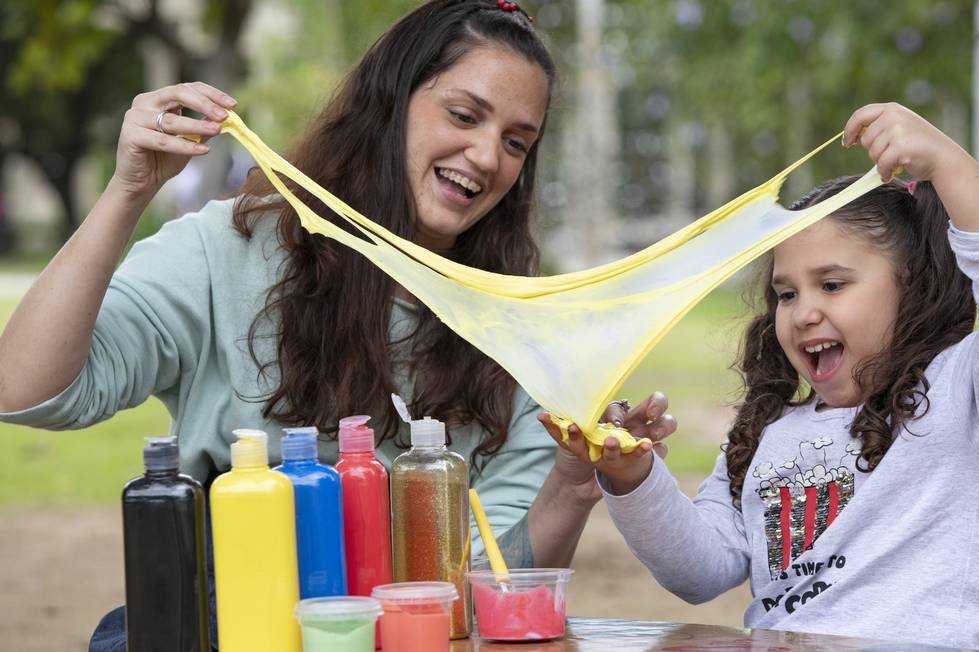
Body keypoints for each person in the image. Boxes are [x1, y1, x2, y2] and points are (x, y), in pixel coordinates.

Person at [0, 1, 675, 648]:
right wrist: (128, 190)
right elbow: (25, 390)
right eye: (464, 115)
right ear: (391, 103)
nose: (486, 155)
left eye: (516, 142)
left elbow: (484, 592)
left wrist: (573, 486)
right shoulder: (226, 250)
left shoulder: (523, 337)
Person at [542, 103, 979, 651]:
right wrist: (634, 477)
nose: (803, 312)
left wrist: (946, 163)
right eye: (787, 293)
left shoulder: (972, 394)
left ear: (912, 286)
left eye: (833, 284)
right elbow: (698, 574)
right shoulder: (768, 432)